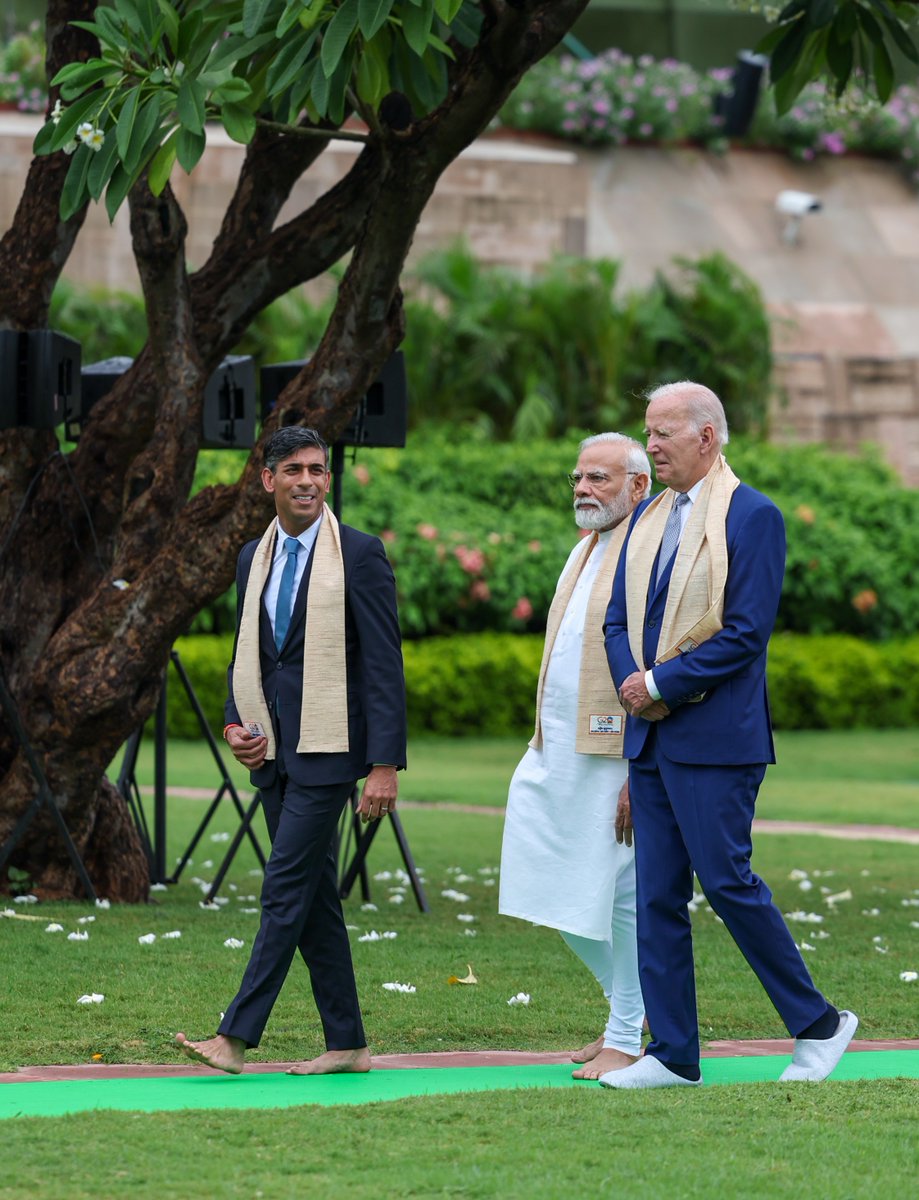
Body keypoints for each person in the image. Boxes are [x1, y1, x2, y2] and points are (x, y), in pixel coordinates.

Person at [601, 381, 857, 1090]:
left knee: (726, 882)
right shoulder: (647, 517)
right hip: (649, 740)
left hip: (716, 738)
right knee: (654, 894)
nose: (649, 445)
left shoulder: (752, 515)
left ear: (706, 436)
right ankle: (673, 1055)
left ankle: (820, 1024)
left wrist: (655, 687)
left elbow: (745, 633)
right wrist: (633, 683)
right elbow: (615, 619)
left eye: (662, 433)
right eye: (646, 431)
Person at [176, 426, 406, 1076]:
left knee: (282, 888)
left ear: (327, 479)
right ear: (267, 479)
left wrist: (384, 765)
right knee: (312, 898)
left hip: (331, 753)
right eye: (294, 470)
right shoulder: (255, 555)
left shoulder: (359, 554)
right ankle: (349, 1043)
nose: (308, 480)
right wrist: (232, 723)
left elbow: (384, 666)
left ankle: (234, 1037)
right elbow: (248, 653)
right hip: (271, 752)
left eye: (317, 469)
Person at [499, 433, 652, 1079]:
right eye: (577, 479)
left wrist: (636, 769)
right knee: (546, 887)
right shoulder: (586, 545)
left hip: (613, 753)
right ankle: (628, 1013)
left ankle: (624, 1033)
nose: (583, 490)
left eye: (598, 478)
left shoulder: (647, 553)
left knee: (616, 899)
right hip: (555, 746)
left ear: (637, 485)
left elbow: (653, 666)